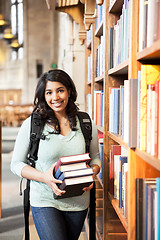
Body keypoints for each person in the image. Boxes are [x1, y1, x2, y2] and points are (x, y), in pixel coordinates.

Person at [11, 69, 101, 240]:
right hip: (44, 200)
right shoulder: (32, 124)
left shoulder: (85, 122)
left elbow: (95, 157)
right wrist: (45, 177)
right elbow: (16, 164)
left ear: (69, 91)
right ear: (43, 95)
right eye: (49, 92)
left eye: (60, 90)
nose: (55, 97)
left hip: (78, 201)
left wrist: (91, 174)